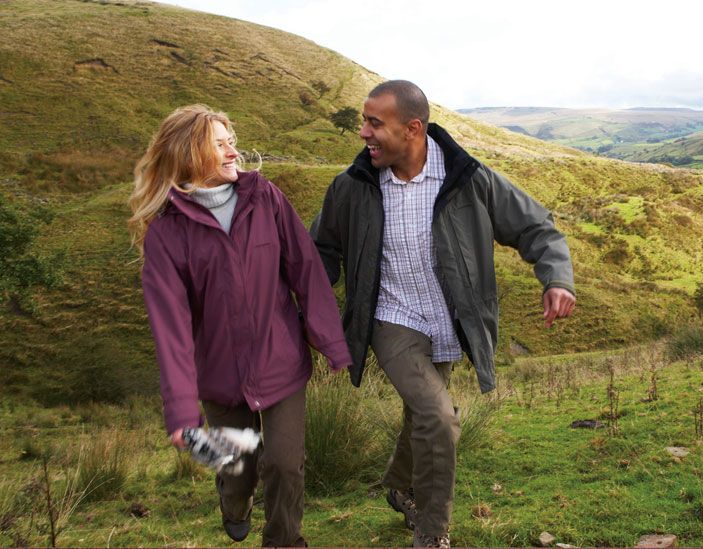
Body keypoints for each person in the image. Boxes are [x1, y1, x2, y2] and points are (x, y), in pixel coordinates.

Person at [311, 80, 576, 548]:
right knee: (439, 416)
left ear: (413, 128)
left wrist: (556, 278)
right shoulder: (352, 187)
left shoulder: (469, 179)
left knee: (423, 416)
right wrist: (296, 302)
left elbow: (536, 226)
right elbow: (320, 251)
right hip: (391, 318)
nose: (363, 133)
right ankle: (433, 534)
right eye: (364, 121)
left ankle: (398, 485)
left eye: (375, 123)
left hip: (449, 321)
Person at [129, 104, 351, 547]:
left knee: (286, 464)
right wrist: (180, 409)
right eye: (221, 144)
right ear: (191, 155)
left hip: (281, 360)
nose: (234, 152)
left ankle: (284, 540)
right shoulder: (167, 235)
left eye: (233, 141)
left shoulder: (265, 197)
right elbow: (170, 329)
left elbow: (304, 270)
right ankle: (233, 500)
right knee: (238, 469)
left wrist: (332, 343)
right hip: (220, 375)